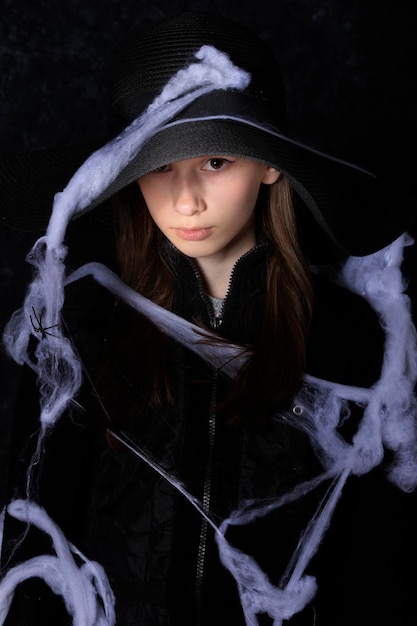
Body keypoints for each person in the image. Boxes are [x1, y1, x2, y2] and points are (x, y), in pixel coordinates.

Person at [1, 10, 417, 626]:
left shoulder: (357, 348)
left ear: (271, 164)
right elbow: (34, 546)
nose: (186, 198)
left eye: (215, 161)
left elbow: (383, 568)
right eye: (159, 164)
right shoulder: (82, 330)